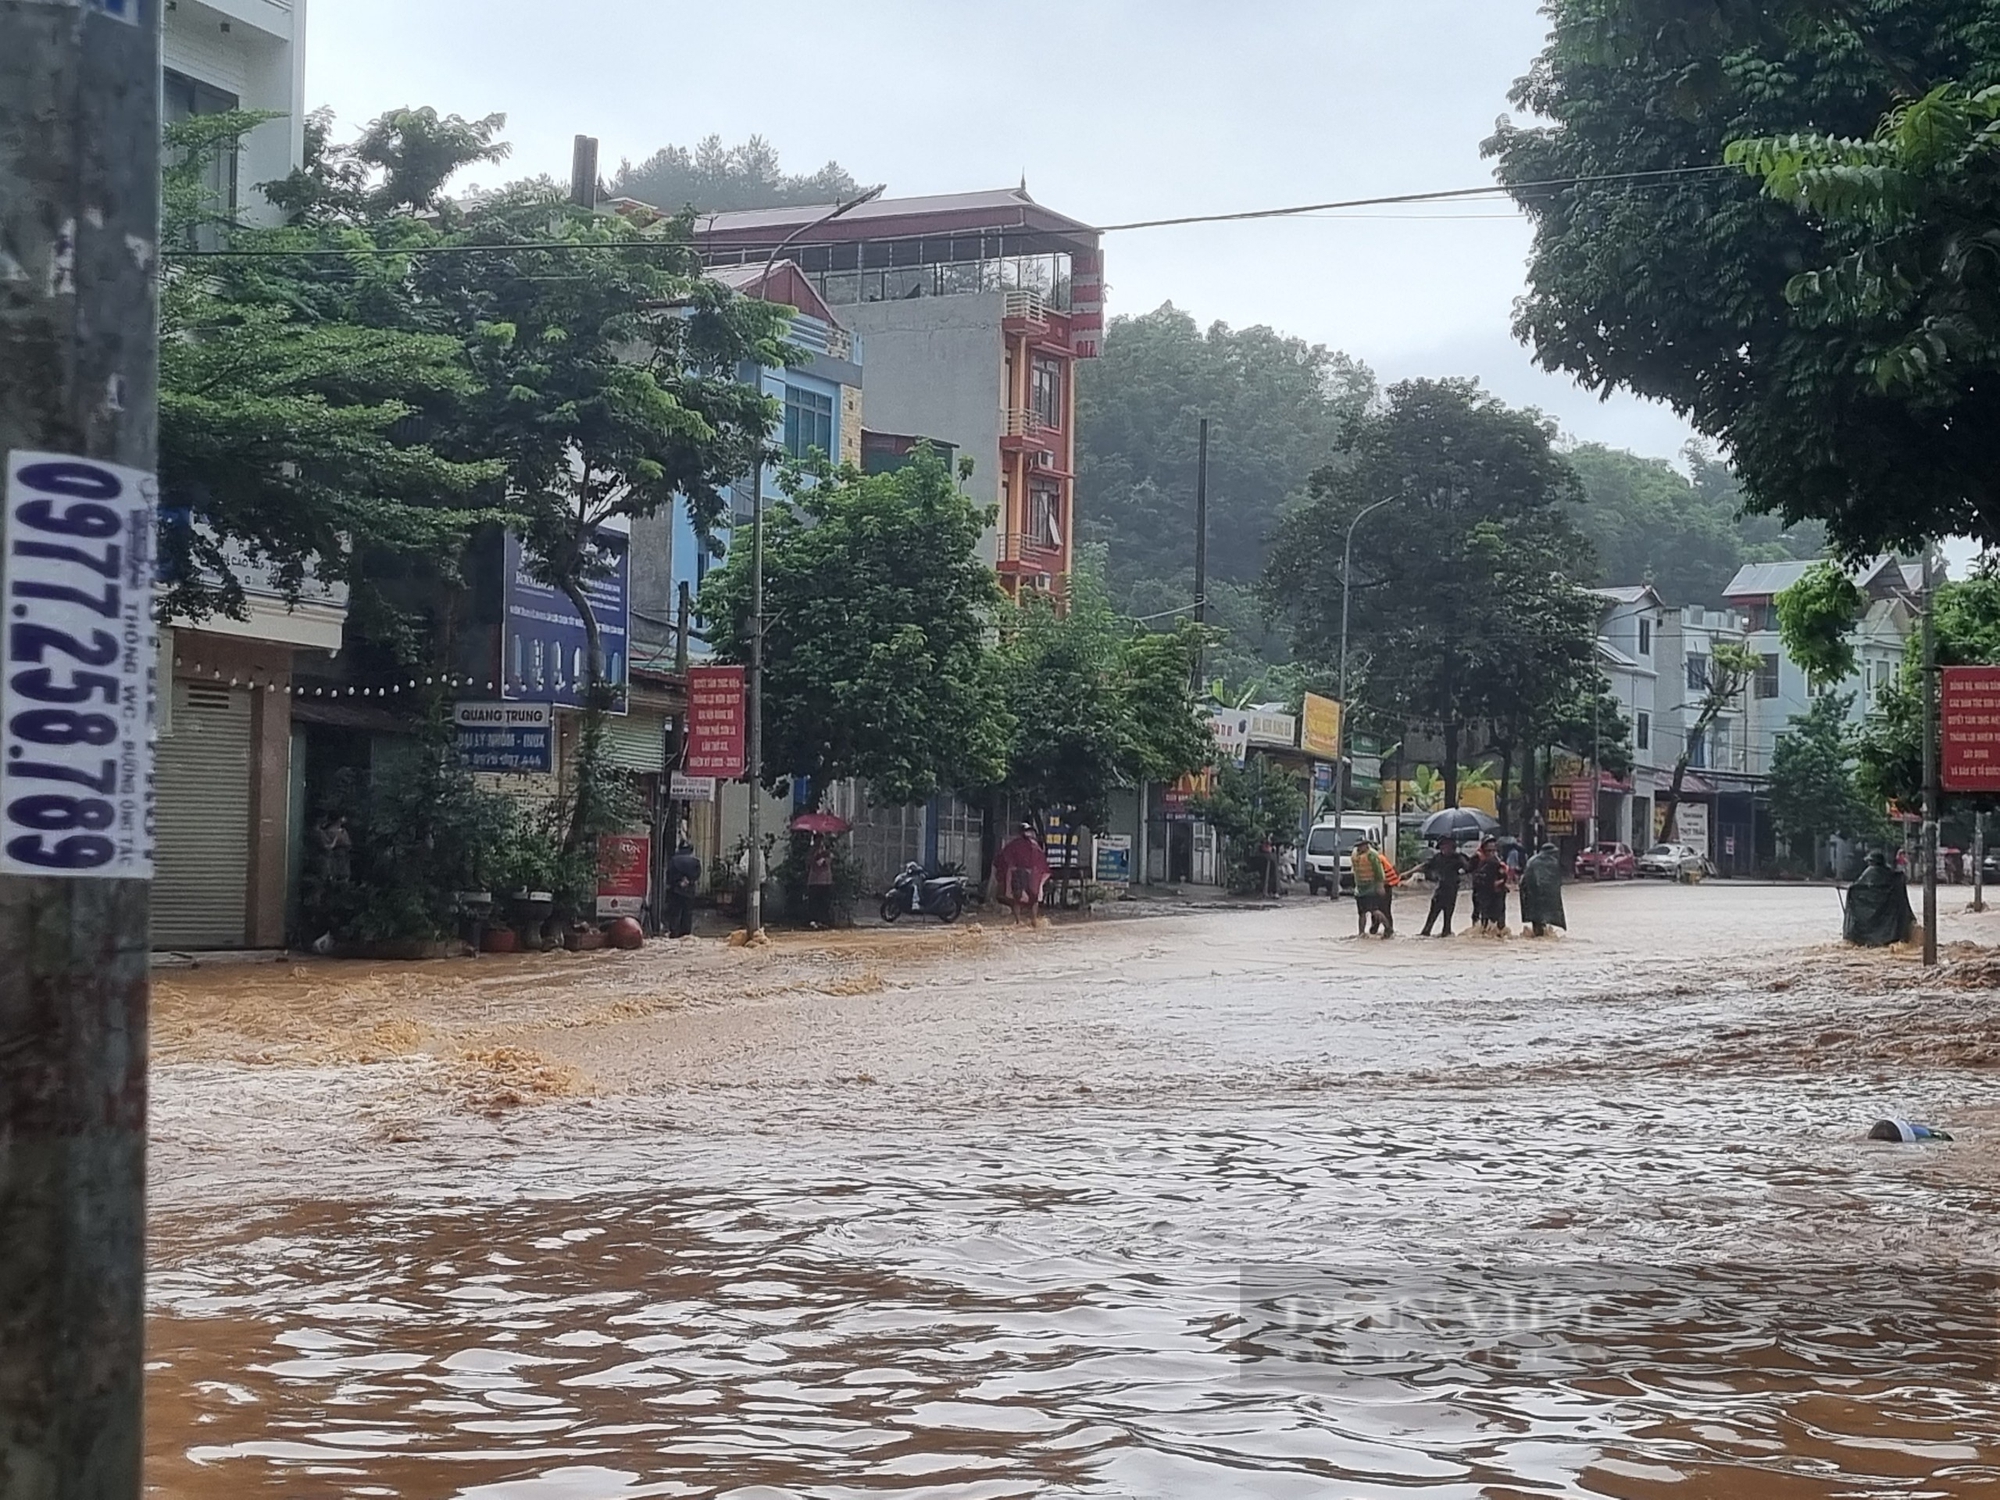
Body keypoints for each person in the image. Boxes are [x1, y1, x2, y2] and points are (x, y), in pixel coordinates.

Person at [1844, 849, 1916, 947]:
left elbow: (1858, 887)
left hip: (1874, 914)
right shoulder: (1888, 872)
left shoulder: (1870, 872)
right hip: (1886, 913)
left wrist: (1851, 890)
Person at [991, 821, 1051, 926]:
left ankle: (1021, 921)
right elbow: (1040, 861)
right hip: (1028, 874)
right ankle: (1032, 920)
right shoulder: (1032, 845)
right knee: (1031, 898)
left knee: (1019, 898)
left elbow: (1002, 857)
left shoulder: (1020, 845)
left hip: (1020, 874)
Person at [1417, 837, 1469, 937]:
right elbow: (1424, 866)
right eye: (1443, 846)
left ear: (1453, 847)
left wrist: (1463, 862)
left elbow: (1469, 868)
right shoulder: (1438, 858)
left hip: (1452, 891)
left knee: (1447, 920)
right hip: (1440, 890)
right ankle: (1425, 933)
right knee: (1431, 918)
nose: (1445, 848)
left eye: (1448, 846)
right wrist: (1406, 874)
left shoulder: (1458, 858)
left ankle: (1446, 934)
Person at [1519, 842, 1568, 937]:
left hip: (1533, 898)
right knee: (1543, 921)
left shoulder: (1532, 861)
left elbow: (1523, 881)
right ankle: (1541, 936)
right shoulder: (1553, 863)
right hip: (1544, 899)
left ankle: (1537, 935)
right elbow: (1557, 882)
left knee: (1537, 921)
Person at [1351, 836, 1394, 938]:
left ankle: (1388, 928)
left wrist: (1380, 886)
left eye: (1363, 845)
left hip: (1372, 887)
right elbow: (1355, 872)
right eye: (1359, 846)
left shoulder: (1372, 855)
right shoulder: (1355, 855)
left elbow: (1379, 872)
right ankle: (1361, 933)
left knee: (1375, 910)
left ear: (1367, 845)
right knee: (1361, 913)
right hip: (1360, 889)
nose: (1361, 847)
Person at [663, 840, 703, 939]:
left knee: (675, 911)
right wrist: (688, 880)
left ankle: (674, 932)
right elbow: (697, 874)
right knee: (687, 912)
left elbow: (669, 874)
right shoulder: (695, 861)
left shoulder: (674, 860)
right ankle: (685, 934)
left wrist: (678, 881)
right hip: (689, 890)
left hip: (676, 889)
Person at [1470, 837, 1509, 934]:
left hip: (1497, 893)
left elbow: (1503, 876)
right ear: (1483, 850)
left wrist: (1501, 881)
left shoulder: (1498, 861)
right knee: (1482, 918)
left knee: (1500, 920)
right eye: (1489, 850)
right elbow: (1472, 872)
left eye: (1494, 850)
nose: (1491, 853)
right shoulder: (1477, 859)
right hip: (1482, 893)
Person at [805, 836, 835, 929]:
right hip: (814, 880)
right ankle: (814, 920)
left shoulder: (828, 852)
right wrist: (817, 855)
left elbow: (828, 861)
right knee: (814, 901)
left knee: (824, 901)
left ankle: (823, 920)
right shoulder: (812, 851)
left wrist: (825, 857)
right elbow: (811, 862)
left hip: (825, 880)